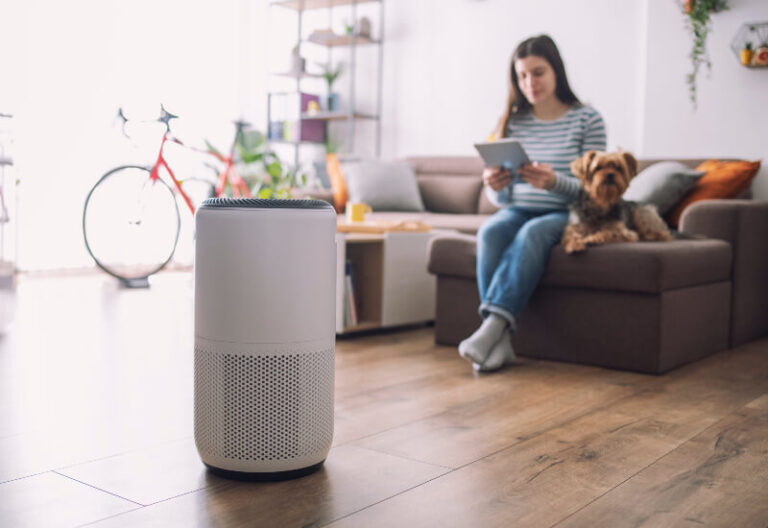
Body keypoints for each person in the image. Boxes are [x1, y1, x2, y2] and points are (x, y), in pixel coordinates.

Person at [459, 34, 607, 372]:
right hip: (517, 208)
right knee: (490, 233)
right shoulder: (512, 121)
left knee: (532, 234)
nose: (530, 83)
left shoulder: (587, 120)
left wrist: (555, 182)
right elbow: (502, 200)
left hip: (567, 212)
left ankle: (492, 328)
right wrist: (494, 186)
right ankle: (502, 344)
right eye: (522, 76)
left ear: (556, 70)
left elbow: (595, 194)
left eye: (538, 73)